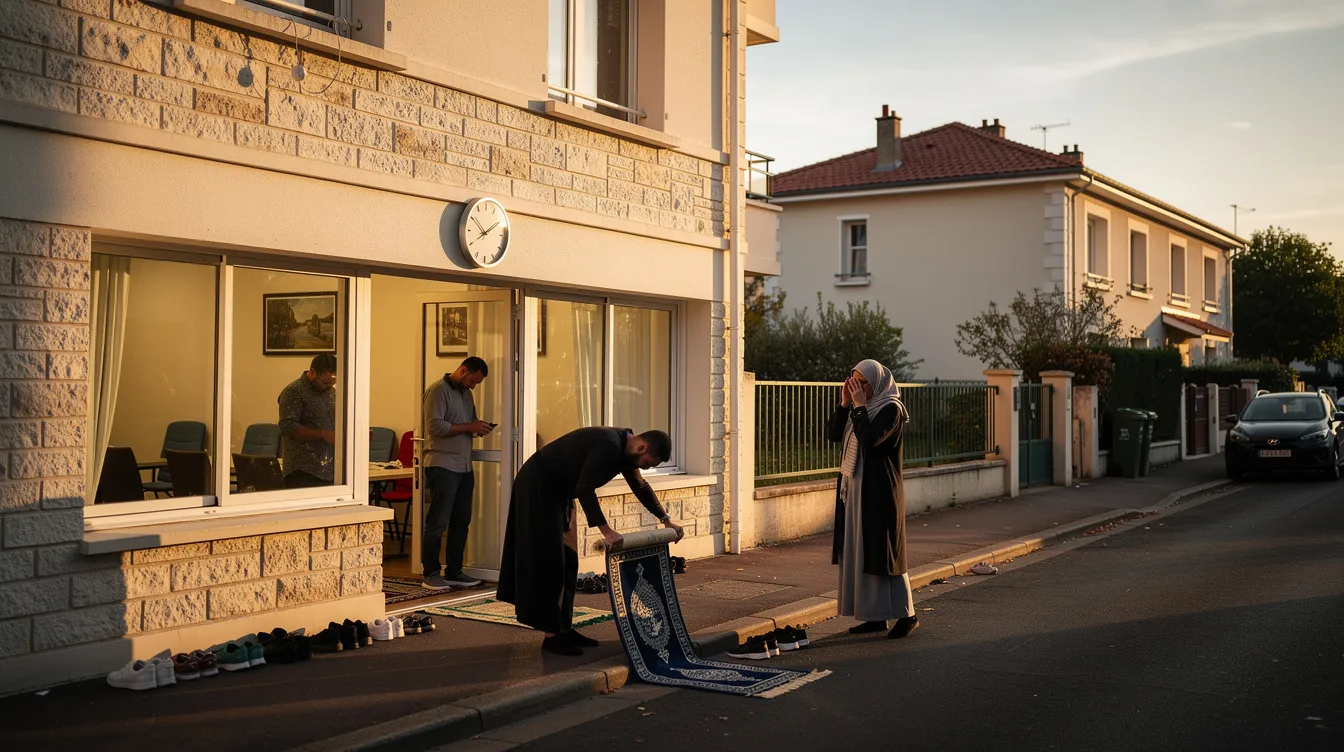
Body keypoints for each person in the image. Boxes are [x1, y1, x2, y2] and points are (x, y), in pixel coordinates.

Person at [497, 427, 684, 656]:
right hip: (538, 488)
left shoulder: (627, 452)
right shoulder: (608, 445)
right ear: (642, 447)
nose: (646, 468)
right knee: (552, 561)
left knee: (569, 561)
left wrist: (665, 520)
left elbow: (641, 486)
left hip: (559, 492)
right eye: (648, 463)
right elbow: (584, 488)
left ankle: (563, 628)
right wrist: (606, 531)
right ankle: (552, 636)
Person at [826, 358, 919, 639]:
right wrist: (845, 403)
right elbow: (832, 434)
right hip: (854, 487)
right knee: (862, 553)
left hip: (880, 492)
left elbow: (869, 440)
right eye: (851, 381)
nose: (855, 387)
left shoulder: (891, 409)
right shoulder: (858, 409)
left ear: (876, 384)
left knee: (887, 554)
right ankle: (874, 616)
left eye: (861, 383)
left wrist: (859, 406)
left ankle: (908, 615)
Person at [420, 356, 493, 590]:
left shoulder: (466, 394)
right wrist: (469, 427)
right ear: (462, 370)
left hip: (464, 466)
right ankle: (430, 573)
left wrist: (477, 427)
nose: (473, 386)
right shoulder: (437, 391)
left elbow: (467, 423)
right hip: (442, 465)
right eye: (473, 380)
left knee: (461, 521)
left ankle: (454, 571)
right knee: (437, 523)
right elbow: (435, 426)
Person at [277, 354, 338, 489]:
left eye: (332, 383)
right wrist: (323, 434)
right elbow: (288, 427)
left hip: (330, 469)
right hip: (302, 470)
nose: (328, 387)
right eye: (325, 382)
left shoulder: (332, 393)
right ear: (312, 372)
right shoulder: (294, 391)